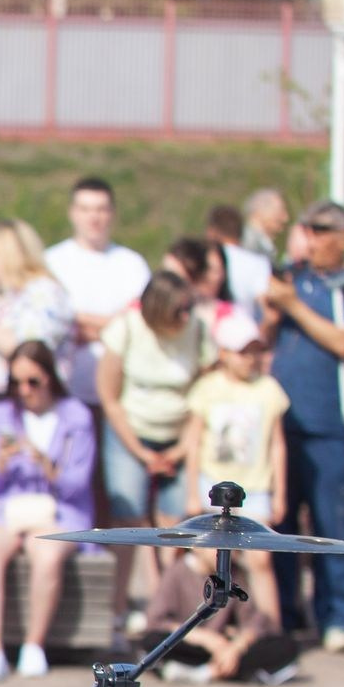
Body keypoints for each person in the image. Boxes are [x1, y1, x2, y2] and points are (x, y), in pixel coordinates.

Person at [260, 200, 344, 652]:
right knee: (281, 523)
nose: (310, 239)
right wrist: (272, 313)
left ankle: (339, 616)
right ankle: (286, 613)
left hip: (333, 423)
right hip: (281, 423)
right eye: (306, 229)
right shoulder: (291, 277)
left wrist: (292, 305)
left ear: (342, 236)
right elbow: (263, 337)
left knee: (333, 524)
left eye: (320, 230)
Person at [97, 270, 214, 630]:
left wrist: (180, 449)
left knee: (176, 525)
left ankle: (168, 610)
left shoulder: (197, 330)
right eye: (179, 309)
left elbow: (205, 393)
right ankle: (117, 610)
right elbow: (109, 397)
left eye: (189, 307)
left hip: (180, 435)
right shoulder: (126, 329)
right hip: (129, 432)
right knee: (129, 521)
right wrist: (141, 452)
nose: (186, 315)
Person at [0, 342, 95, 681]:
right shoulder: (0, 414)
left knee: (46, 550)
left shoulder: (76, 416)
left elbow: (76, 485)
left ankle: (33, 645)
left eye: (33, 382)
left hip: (60, 508)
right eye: (16, 383)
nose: (24, 391)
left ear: (50, 377)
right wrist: (2, 461)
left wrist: (44, 462)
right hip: (8, 505)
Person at [180, 309, 291, 629]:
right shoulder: (207, 388)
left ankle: (271, 631)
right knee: (209, 557)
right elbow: (193, 443)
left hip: (255, 488)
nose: (250, 359)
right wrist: (192, 492)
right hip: (213, 486)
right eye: (243, 352)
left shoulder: (268, 389)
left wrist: (280, 493)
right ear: (224, 353)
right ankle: (215, 626)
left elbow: (277, 445)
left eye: (256, 351)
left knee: (260, 559)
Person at [44, 177, 151, 405]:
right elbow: (52, 319)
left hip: (121, 393)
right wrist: (112, 328)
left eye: (101, 209)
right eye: (85, 209)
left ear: (112, 213)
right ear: (72, 213)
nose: (93, 217)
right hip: (64, 392)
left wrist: (82, 325)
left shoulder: (132, 264)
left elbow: (138, 320)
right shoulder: (52, 262)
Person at [0, 219, 75, 408]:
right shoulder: (12, 295)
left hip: (24, 400)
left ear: (5, 255)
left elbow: (27, 349)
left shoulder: (44, 293)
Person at [145, 546, 300, 685]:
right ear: (197, 548)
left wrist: (236, 647)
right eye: (217, 549)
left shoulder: (232, 573)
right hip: (191, 642)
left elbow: (255, 620)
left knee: (285, 645)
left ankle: (207, 672)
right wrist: (205, 638)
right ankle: (224, 671)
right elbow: (156, 621)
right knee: (152, 642)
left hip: (225, 647)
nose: (224, 555)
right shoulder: (177, 572)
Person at [206, 205, 272, 326]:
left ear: (211, 232)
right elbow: (268, 312)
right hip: (245, 332)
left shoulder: (205, 259)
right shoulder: (260, 264)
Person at [240, 189, 291, 262]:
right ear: (262, 210)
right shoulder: (248, 244)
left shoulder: (261, 243)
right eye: (281, 211)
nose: (286, 218)